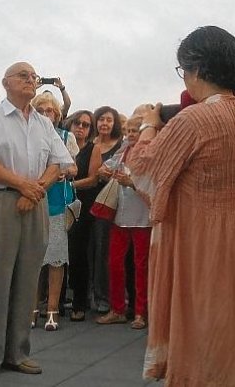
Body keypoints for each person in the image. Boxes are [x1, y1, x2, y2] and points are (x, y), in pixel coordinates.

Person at [126, 26, 235, 385]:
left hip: (204, 244)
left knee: (205, 338)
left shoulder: (193, 119)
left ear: (195, 69)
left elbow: (143, 172)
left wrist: (149, 127)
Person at [0, 62, 72, 378]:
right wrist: (22, 185)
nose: (30, 80)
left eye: (33, 76)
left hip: (35, 201)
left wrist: (34, 190)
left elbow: (59, 162)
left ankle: (18, 352)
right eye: (23, 75)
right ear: (6, 82)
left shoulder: (44, 123)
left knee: (28, 278)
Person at [97, 107, 151, 330]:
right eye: (128, 130)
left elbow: (156, 186)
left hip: (143, 219)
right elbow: (105, 167)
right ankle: (118, 309)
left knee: (141, 267)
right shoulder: (123, 150)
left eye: (135, 131)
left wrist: (132, 184)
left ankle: (141, 312)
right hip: (120, 217)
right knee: (114, 263)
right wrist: (103, 171)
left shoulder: (150, 154)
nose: (130, 134)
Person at [31, 91, 77, 332]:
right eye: (40, 110)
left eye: (50, 110)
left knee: (56, 259)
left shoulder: (66, 136)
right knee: (32, 259)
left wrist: (64, 171)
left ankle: (52, 309)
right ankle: (31, 308)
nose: (46, 114)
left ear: (57, 114)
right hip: (31, 200)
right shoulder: (26, 135)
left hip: (57, 203)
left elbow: (74, 168)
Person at [72, 105, 121, 320]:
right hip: (86, 201)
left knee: (102, 250)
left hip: (108, 202)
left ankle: (103, 298)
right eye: (101, 119)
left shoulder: (119, 145)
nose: (104, 123)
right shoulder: (89, 144)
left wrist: (109, 173)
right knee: (86, 250)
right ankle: (87, 295)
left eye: (109, 120)